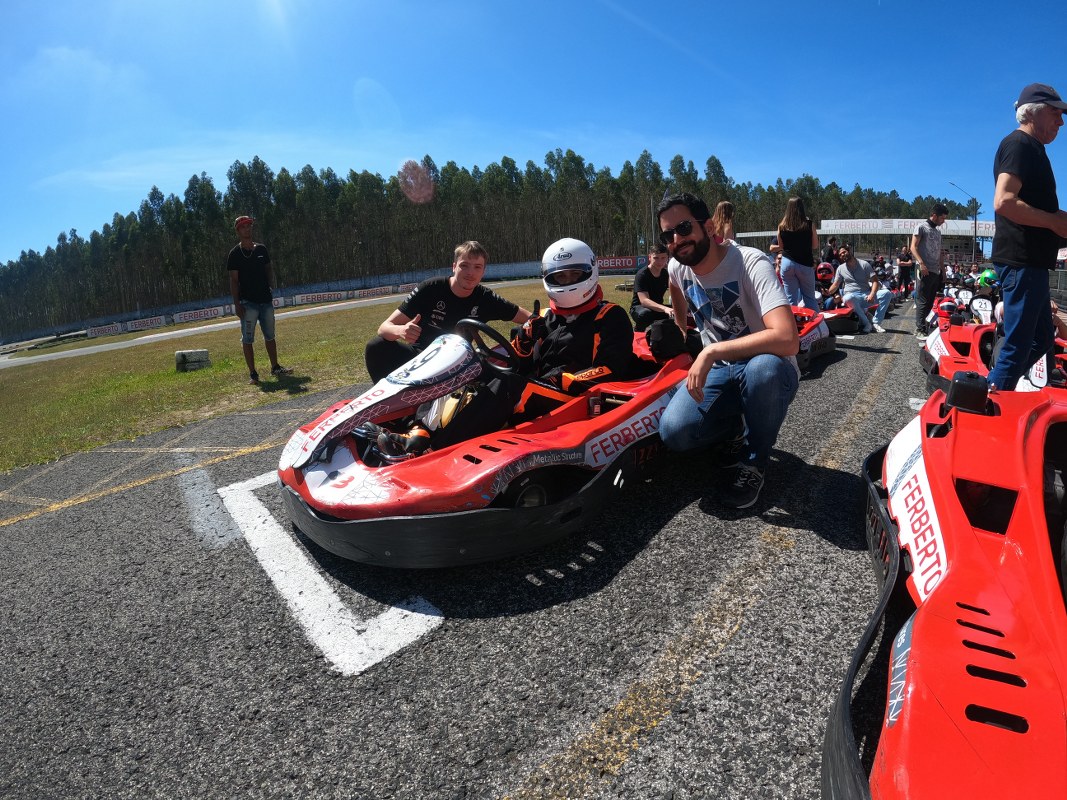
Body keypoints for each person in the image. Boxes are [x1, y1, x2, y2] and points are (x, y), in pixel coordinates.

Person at [377, 237, 634, 455]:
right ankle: (420, 429)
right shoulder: (547, 316)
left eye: (573, 275)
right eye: (560, 276)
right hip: (538, 384)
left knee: (510, 385)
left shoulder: (610, 315)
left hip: (572, 394)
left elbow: (613, 367)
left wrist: (564, 381)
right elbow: (518, 358)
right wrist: (524, 339)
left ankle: (435, 450)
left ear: (589, 272)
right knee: (467, 366)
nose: (566, 282)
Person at [656, 193, 800, 510]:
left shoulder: (750, 262)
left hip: (768, 368)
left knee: (764, 370)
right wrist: (681, 328)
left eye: (683, 228)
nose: (676, 240)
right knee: (673, 432)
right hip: (722, 370)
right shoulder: (678, 268)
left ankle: (754, 462)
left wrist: (709, 352)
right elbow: (676, 292)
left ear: (708, 226)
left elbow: (788, 338)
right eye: (668, 235)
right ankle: (736, 426)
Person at [986, 83, 1067, 391]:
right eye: (1056, 114)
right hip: (1022, 262)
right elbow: (1004, 201)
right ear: (1034, 111)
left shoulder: (1032, 149)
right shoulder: (1019, 144)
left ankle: (995, 382)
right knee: (1019, 344)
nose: (1061, 122)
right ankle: (983, 398)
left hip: (1030, 263)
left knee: (1043, 339)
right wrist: (1054, 221)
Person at [364, 241, 531, 382]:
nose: (470, 273)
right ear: (454, 266)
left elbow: (528, 318)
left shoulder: (486, 298)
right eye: (464, 265)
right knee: (376, 346)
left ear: (483, 271)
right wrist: (401, 330)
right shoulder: (430, 288)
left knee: (505, 377)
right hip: (419, 358)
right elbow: (384, 328)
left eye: (477, 267)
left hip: (456, 365)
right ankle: (389, 408)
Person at [227, 215, 293, 385]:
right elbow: (234, 281)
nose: (247, 229)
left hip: (265, 300)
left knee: (270, 335)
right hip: (248, 303)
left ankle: (275, 366)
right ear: (238, 231)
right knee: (247, 338)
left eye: (249, 226)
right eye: (243, 227)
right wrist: (237, 304)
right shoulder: (234, 254)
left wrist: (271, 284)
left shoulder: (261, 249)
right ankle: (253, 374)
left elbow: (268, 268)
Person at [825, 243, 893, 333]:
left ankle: (876, 323)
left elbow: (875, 281)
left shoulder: (864, 264)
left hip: (866, 295)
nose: (842, 255)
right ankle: (867, 323)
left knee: (887, 293)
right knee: (848, 297)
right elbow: (836, 284)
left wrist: (872, 294)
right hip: (852, 297)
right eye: (840, 254)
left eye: (843, 252)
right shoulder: (840, 268)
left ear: (849, 251)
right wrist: (828, 292)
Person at [776, 197, 820, 312]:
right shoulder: (809, 224)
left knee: (790, 300)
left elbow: (781, 246)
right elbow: (815, 245)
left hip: (787, 263)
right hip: (805, 264)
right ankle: (817, 328)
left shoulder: (781, 226)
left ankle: (792, 328)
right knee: (809, 298)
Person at [911, 202, 948, 336]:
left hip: (935, 270)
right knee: (922, 300)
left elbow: (939, 254)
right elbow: (913, 247)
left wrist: (943, 272)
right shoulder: (921, 227)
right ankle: (919, 329)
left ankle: (924, 326)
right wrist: (921, 264)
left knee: (931, 300)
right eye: (942, 218)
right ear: (934, 215)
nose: (943, 221)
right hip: (923, 269)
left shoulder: (938, 232)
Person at [630, 243, 674, 332]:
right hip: (640, 308)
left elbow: (675, 291)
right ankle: (638, 331)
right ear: (649, 257)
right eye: (656, 258)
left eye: (663, 258)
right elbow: (644, 301)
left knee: (679, 311)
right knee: (646, 314)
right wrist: (665, 308)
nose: (660, 262)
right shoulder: (642, 274)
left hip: (657, 308)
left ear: (667, 258)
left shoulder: (666, 274)